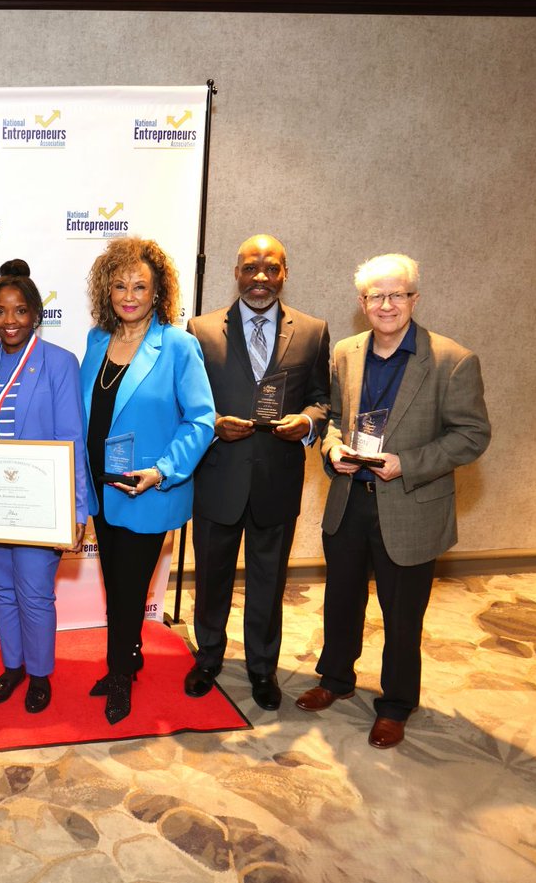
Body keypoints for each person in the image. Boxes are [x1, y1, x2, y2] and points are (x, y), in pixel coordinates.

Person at [296, 253, 490, 749]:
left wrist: (409, 463)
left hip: (409, 503)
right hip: (350, 500)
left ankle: (397, 703)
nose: (386, 305)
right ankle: (335, 678)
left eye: (397, 294)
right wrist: (332, 447)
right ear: (362, 303)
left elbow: (472, 435)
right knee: (341, 600)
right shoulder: (346, 353)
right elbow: (334, 417)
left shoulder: (452, 360)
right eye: (376, 296)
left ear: (414, 299)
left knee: (403, 614)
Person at [184, 234, 331, 711]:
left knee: (268, 581)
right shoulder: (201, 330)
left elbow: (322, 399)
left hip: (277, 479)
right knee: (211, 578)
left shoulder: (313, 331)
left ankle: (262, 669)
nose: (260, 277)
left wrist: (306, 423)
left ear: (285, 273)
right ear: (236, 273)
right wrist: (213, 426)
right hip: (219, 477)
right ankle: (208, 657)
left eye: (271, 268)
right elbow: (187, 401)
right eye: (250, 268)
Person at [79, 237, 215, 724]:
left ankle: (119, 675)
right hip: (102, 489)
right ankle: (129, 656)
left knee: (129, 589)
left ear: (158, 292)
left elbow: (201, 420)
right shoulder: (97, 340)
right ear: (107, 290)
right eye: (120, 286)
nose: (129, 296)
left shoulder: (178, 346)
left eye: (140, 286)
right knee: (115, 585)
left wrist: (162, 471)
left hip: (147, 490)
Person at [0, 259, 89, 713]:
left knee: (35, 593)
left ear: (36, 315)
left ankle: (40, 675)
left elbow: (72, 438)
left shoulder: (59, 363)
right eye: (0, 311)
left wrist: (77, 509)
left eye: (20, 310)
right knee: (3, 590)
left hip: (40, 507)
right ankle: (13, 667)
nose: (10, 320)